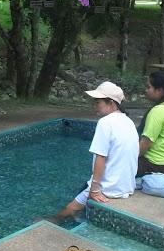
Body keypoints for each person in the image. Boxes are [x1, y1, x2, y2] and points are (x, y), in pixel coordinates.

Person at [57, 81, 138, 218]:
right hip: (126, 187)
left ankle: (54, 221)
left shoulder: (105, 123)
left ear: (111, 103)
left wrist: (95, 189)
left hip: (109, 188)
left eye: (98, 102)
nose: (94, 106)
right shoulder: (128, 122)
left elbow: (101, 157)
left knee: (69, 210)